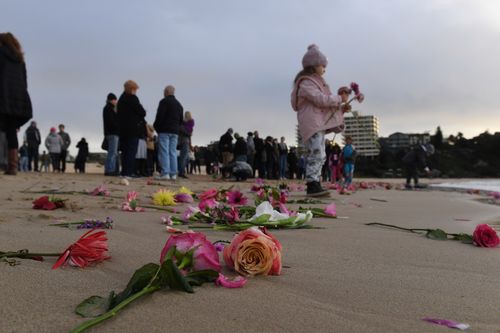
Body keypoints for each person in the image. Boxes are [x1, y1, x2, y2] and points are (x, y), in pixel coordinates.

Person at [291, 44, 362, 196]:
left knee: (321, 154)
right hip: (312, 123)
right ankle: (312, 184)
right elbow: (320, 100)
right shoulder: (306, 83)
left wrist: (341, 108)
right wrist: (338, 99)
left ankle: (315, 181)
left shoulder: (314, 82)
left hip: (316, 123)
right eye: (323, 66)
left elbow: (323, 106)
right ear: (314, 66)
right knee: (316, 152)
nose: (325, 69)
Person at [0, 32, 32, 175]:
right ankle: (12, 166)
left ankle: (6, 163)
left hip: (2, 96)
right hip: (17, 100)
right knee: (11, 132)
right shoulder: (20, 59)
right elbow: (25, 82)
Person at [117, 80, 146, 178]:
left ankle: (124, 172)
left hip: (122, 129)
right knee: (131, 151)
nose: (136, 91)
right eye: (135, 89)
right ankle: (128, 173)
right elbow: (142, 112)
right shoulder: (133, 98)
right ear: (132, 89)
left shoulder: (121, 99)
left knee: (125, 151)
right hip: (133, 129)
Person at [153, 85, 183, 180]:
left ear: (166, 92)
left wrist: (156, 127)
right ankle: (173, 174)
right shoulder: (179, 105)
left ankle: (165, 173)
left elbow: (159, 116)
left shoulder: (164, 102)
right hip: (175, 131)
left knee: (164, 152)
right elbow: (181, 121)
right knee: (173, 152)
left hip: (164, 130)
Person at [103, 93, 120, 176]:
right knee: (112, 152)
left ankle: (113, 170)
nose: (116, 101)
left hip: (111, 133)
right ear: (111, 100)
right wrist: (118, 128)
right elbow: (112, 122)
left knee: (113, 152)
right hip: (112, 133)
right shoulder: (108, 108)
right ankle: (110, 170)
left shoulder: (109, 108)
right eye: (115, 100)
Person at [178, 111, 194, 179]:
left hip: (185, 141)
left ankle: (181, 171)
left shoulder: (189, 124)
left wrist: (190, 144)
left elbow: (189, 134)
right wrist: (189, 133)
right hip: (183, 141)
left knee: (186, 158)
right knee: (184, 158)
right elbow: (187, 133)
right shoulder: (182, 123)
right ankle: (181, 172)